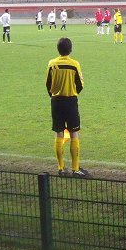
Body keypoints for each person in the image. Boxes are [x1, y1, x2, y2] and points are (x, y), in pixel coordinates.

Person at [46, 37, 88, 178]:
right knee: (74, 133)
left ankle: (61, 168)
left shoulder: (51, 64)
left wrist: (54, 95)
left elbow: (48, 84)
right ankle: (75, 169)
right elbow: (80, 84)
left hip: (56, 101)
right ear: (70, 49)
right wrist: (72, 92)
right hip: (70, 102)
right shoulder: (74, 64)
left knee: (59, 133)